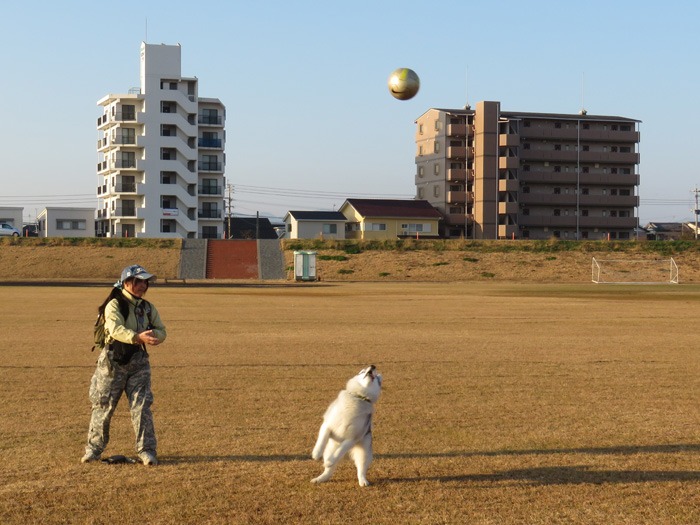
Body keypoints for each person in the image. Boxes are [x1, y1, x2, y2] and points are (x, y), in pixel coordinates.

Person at [81, 264, 167, 466]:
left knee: (142, 407)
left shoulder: (147, 308)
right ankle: (93, 451)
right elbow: (115, 328)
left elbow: (161, 329)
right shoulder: (114, 304)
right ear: (127, 283)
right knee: (103, 406)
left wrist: (155, 336)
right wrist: (137, 336)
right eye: (139, 281)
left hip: (138, 362)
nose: (143, 285)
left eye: (145, 282)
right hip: (112, 362)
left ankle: (147, 451)